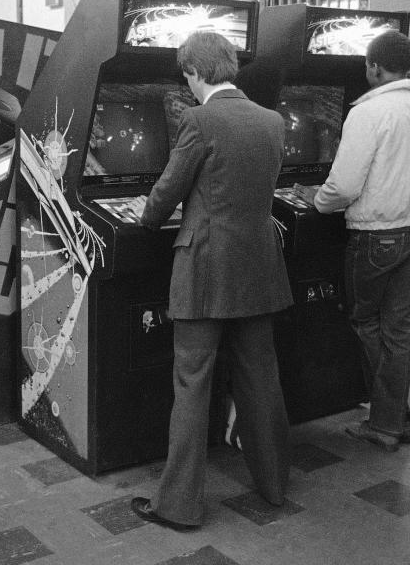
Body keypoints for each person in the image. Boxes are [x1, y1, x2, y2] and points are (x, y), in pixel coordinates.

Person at [130, 31, 293, 531]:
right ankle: (274, 485)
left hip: (205, 272)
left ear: (193, 72)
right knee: (261, 379)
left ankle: (178, 505)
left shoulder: (198, 119)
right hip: (258, 268)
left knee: (192, 383)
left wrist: (145, 216)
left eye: (185, 73)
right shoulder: (272, 120)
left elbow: (169, 189)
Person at [296, 30, 410, 453]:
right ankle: (399, 419)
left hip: (377, 237)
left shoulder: (368, 113)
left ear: (374, 67)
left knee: (366, 324)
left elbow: (342, 186)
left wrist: (315, 202)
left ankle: (385, 423)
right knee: (400, 329)